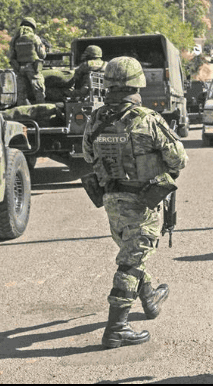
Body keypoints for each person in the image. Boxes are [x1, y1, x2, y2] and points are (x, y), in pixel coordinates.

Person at [82, 56, 188, 349]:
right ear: (138, 84)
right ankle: (116, 328)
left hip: (112, 199)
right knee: (130, 263)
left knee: (133, 253)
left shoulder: (96, 118)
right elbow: (179, 159)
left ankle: (150, 298)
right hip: (143, 201)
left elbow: (89, 157)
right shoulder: (149, 119)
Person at [8, 16, 47, 104]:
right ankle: (43, 110)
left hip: (19, 69)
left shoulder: (15, 39)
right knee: (39, 91)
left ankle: (22, 112)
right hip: (33, 68)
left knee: (21, 93)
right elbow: (42, 55)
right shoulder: (34, 37)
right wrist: (44, 49)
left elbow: (11, 55)